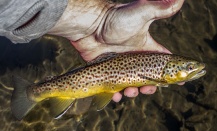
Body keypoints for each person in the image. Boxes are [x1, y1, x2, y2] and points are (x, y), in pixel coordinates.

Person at [0, 0, 185, 102]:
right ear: (170, 70)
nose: (190, 69)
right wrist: (99, 22)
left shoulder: (160, 70)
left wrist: (101, 20)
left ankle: (36, 92)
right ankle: (33, 92)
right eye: (186, 67)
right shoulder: (160, 74)